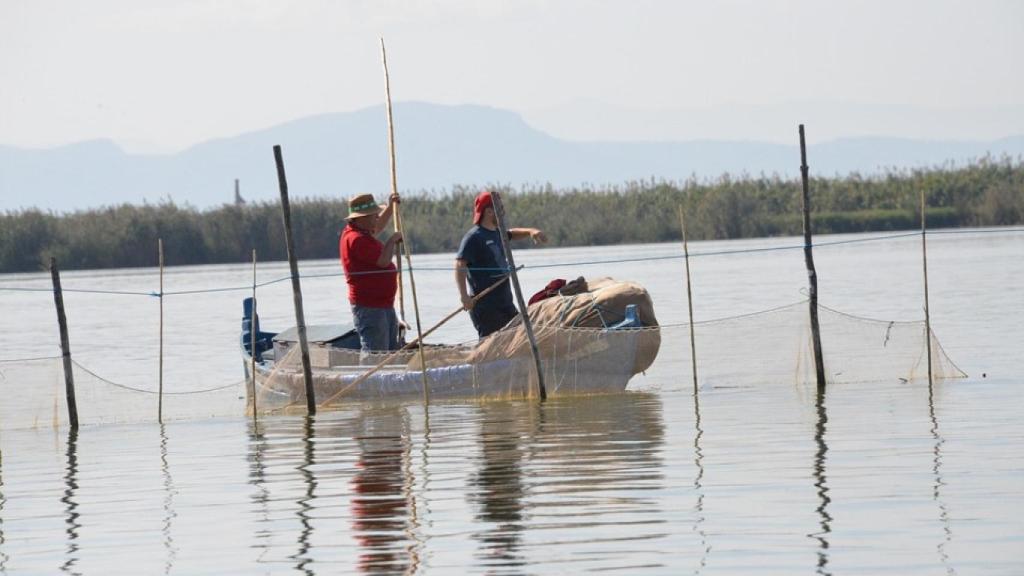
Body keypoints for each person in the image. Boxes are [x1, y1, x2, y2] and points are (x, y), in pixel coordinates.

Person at [455, 190, 547, 339]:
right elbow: (460, 266)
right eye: (501, 209)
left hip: (505, 302)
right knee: (492, 347)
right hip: (486, 307)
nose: (503, 212)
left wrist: (531, 232)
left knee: (521, 338)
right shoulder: (474, 237)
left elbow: (511, 233)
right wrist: (464, 296)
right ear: (490, 211)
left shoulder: (498, 233)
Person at [340, 192, 403, 357]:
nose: (377, 217)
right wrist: (392, 241)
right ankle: (369, 382)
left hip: (383, 305)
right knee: (375, 354)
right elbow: (383, 261)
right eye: (373, 215)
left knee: (388, 352)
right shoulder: (356, 239)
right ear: (361, 218)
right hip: (370, 307)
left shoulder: (362, 232)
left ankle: (387, 381)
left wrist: (390, 208)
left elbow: (377, 227)